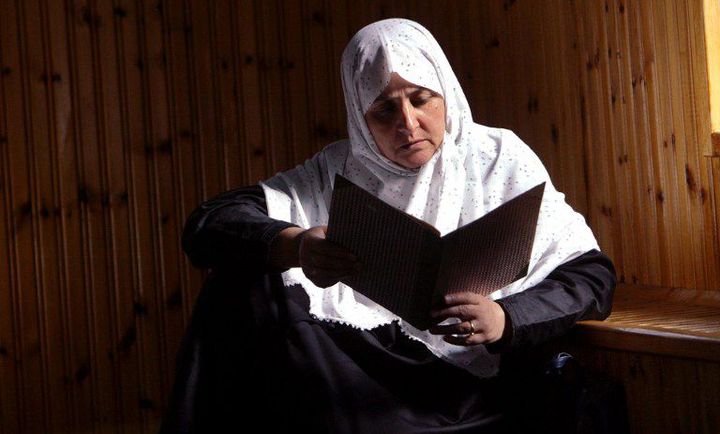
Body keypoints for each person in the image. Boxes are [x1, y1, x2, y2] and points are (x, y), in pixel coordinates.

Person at [160, 18, 616, 434]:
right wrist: (296, 245)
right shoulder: (337, 169)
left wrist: (507, 318)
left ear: (445, 93)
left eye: (421, 99)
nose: (408, 124)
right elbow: (209, 223)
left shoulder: (497, 158)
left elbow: (592, 276)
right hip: (352, 365)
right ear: (361, 118)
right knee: (239, 280)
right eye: (384, 110)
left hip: (460, 374)